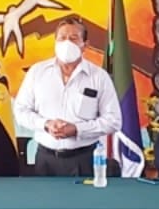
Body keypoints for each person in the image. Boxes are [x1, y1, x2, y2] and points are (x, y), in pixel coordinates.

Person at [14, 16, 121, 176]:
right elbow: (21, 111)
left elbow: (113, 121)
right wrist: (46, 124)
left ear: (85, 45)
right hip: (45, 159)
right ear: (55, 42)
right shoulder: (37, 72)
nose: (67, 43)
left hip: (84, 159)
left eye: (73, 38)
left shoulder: (99, 77)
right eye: (62, 38)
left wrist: (77, 129)